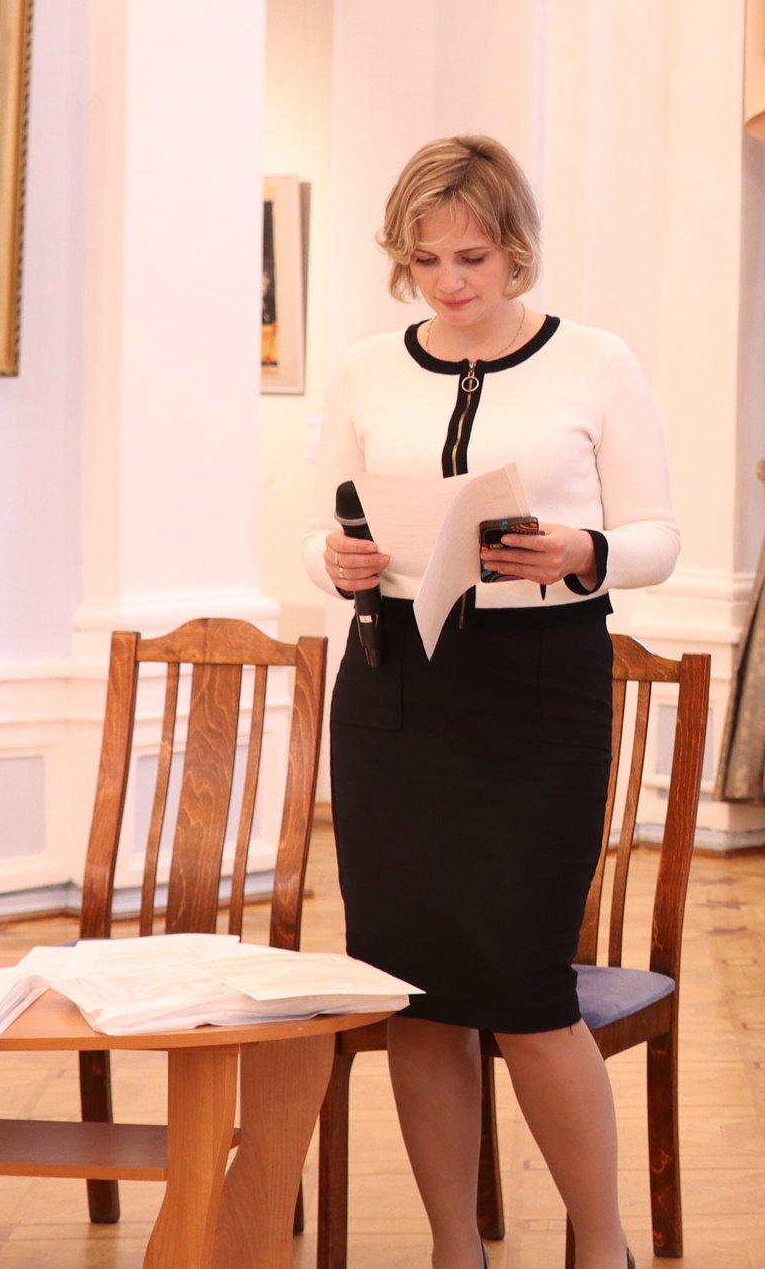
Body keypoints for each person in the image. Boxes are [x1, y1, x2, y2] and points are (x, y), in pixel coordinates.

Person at [307, 136, 678, 1269]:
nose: (448, 282)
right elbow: (325, 533)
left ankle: (601, 1248)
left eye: (469, 257)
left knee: (525, 988)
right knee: (414, 989)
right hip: (393, 696)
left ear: (516, 249)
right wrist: (338, 561)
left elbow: (658, 538)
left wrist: (584, 550)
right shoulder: (367, 369)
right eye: (424, 261)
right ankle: (452, 1249)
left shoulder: (597, 362)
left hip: (539, 694)